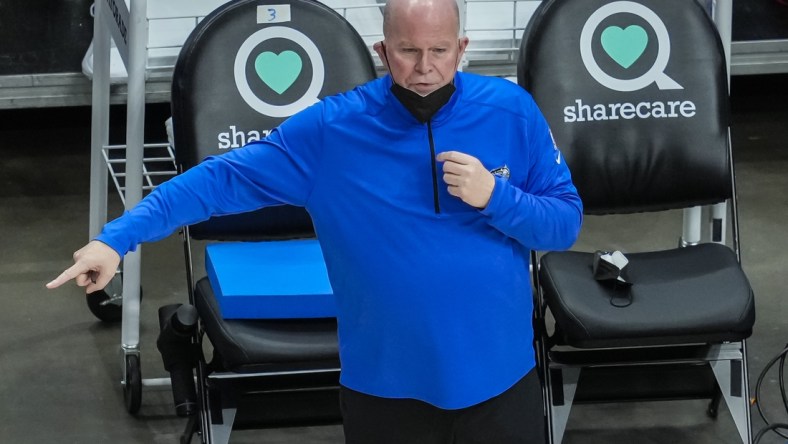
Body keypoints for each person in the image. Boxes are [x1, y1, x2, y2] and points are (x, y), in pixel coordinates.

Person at [47, 0, 582, 441]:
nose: (424, 68)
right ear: (382, 51)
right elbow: (216, 181)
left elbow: (562, 225)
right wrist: (116, 240)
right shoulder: (332, 131)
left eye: (440, 51)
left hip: (503, 382)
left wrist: (498, 196)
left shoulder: (512, 111)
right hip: (385, 388)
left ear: (461, 49)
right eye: (407, 51)